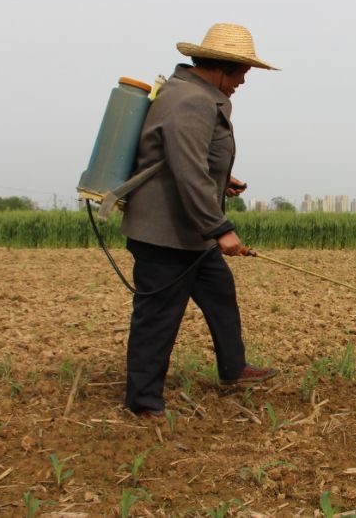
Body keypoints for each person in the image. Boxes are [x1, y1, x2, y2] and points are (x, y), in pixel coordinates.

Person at [120, 23, 279, 417]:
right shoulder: (191, 100)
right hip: (166, 234)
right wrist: (220, 228)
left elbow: (184, 158)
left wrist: (223, 180)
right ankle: (143, 404)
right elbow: (187, 171)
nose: (244, 80)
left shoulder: (191, 94)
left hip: (188, 232)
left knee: (219, 291)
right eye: (242, 71)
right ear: (222, 66)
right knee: (158, 318)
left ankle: (233, 368)